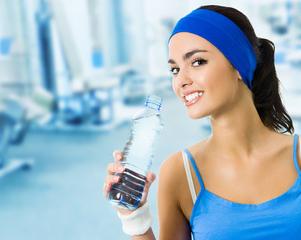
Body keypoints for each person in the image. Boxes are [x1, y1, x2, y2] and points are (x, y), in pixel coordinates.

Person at [103, 4, 301, 240]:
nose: (181, 81)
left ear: (238, 64)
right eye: (175, 70)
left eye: (197, 62)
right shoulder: (179, 172)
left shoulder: (298, 157)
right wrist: (134, 218)